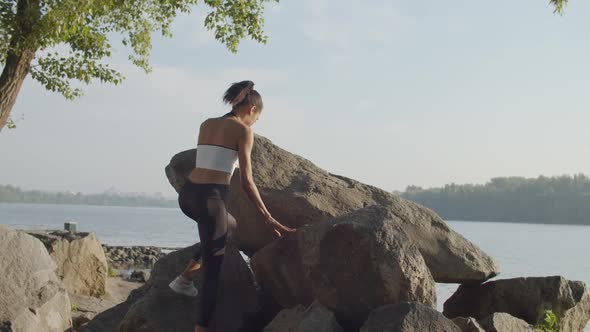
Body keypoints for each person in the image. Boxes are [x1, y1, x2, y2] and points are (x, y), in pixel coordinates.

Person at [168, 80, 295, 332]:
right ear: (251, 110)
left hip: (188, 195)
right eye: (256, 119)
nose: (254, 124)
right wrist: (268, 218)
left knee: (230, 225)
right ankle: (200, 328)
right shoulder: (243, 131)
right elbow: (247, 182)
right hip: (210, 200)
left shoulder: (207, 124)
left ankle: (184, 279)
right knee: (213, 275)